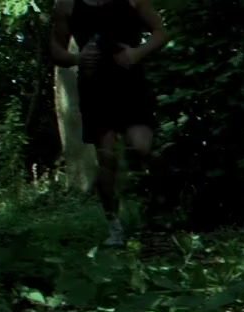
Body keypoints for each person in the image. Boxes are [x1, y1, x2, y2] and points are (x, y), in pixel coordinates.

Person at [49, 0, 168, 247]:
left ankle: (157, 219)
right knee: (107, 157)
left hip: (131, 83)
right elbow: (55, 49)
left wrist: (136, 53)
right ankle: (115, 228)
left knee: (142, 147)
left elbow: (161, 32)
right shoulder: (67, 5)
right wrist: (77, 58)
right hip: (95, 88)